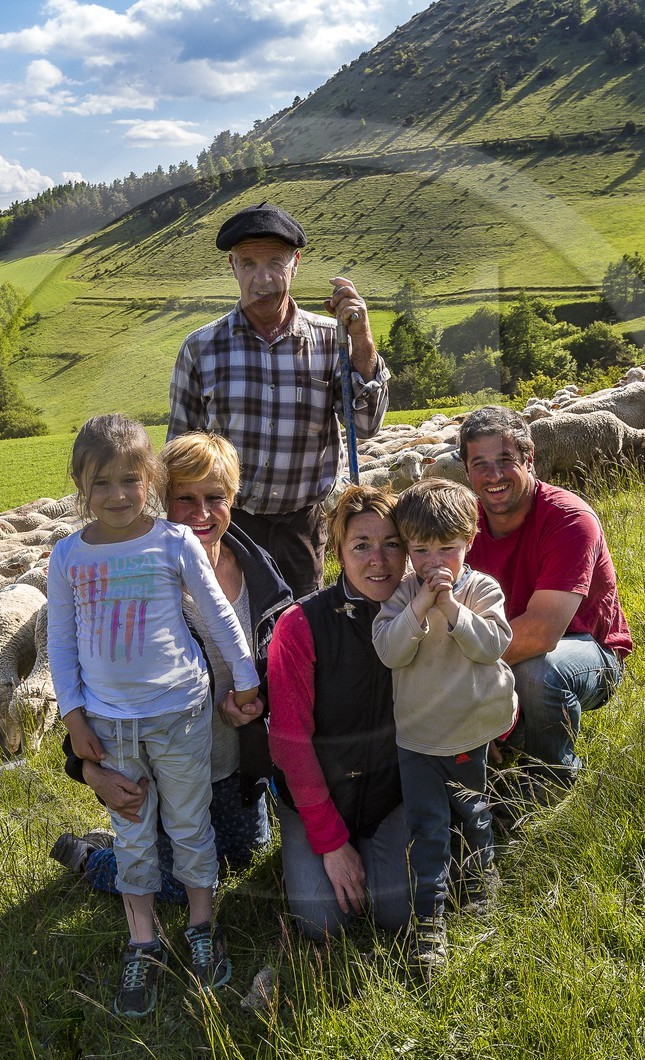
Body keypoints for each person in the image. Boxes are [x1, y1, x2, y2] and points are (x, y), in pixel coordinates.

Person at [46, 414, 263, 1019]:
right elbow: (61, 644)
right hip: (113, 725)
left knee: (193, 828)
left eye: (129, 481)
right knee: (133, 829)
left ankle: (200, 927)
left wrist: (246, 679)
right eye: (101, 483)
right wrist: (74, 718)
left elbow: (219, 615)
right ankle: (143, 941)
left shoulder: (172, 542)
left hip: (180, 714)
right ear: (79, 485)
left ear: (150, 481)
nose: (117, 495)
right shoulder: (67, 558)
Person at [52, 431, 294, 901]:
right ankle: (92, 857)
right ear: (161, 496)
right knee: (176, 884)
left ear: (233, 499)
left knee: (246, 855)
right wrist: (86, 769)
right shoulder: (139, 577)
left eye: (215, 498)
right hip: (157, 762)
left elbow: (280, 666)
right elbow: (98, 674)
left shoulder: (262, 575)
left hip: (234, 765)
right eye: (185, 498)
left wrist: (254, 698)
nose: (201, 512)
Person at [168, 202, 390, 599]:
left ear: (296, 263)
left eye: (275, 262)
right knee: (232, 633)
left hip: (302, 528)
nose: (263, 278)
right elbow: (179, 457)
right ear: (232, 267)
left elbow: (367, 425)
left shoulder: (331, 341)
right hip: (228, 527)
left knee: (301, 634)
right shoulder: (201, 349)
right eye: (249, 263)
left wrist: (362, 342)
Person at [371, 477, 516, 972]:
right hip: (418, 738)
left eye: (447, 549)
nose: (435, 563)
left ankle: (482, 887)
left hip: (469, 731)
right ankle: (430, 922)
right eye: (421, 549)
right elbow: (390, 652)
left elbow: (491, 645)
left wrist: (451, 608)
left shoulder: (481, 590)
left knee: (473, 812)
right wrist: (419, 607)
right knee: (427, 827)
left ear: (470, 542)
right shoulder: (400, 597)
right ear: (408, 550)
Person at [457, 405, 631, 791]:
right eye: (480, 464)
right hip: (498, 651)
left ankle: (553, 779)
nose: (494, 475)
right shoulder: (464, 527)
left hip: (586, 652)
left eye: (505, 460)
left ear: (529, 459)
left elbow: (540, 634)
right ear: (466, 472)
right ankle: (509, 740)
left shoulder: (568, 519)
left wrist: (457, 684)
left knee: (537, 674)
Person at [268, 485, 412, 940]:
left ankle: (379, 852)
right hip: (320, 794)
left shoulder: (424, 614)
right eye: (362, 546)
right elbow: (290, 745)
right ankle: (322, 846)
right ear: (338, 552)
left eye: (392, 544)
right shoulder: (301, 626)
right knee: (323, 924)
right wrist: (330, 842)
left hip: (392, 796)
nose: (379, 560)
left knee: (399, 914)